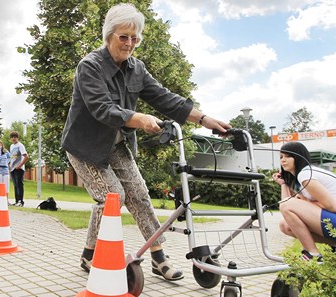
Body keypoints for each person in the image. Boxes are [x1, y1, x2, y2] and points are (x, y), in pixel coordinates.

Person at [61, 3, 231, 281]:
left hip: (116, 144)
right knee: (112, 197)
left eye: (134, 38)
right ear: (109, 35)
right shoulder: (89, 66)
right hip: (85, 147)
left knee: (139, 194)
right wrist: (139, 118)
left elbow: (165, 98)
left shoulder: (136, 69)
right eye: (123, 37)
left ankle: (157, 257)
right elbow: (102, 108)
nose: (129, 44)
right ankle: (95, 257)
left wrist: (204, 119)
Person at [272, 142, 336, 261]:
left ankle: (312, 254)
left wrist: (306, 202)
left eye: (287, 156)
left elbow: (333, 206)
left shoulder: (306, 175)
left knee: (287, 205)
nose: (283, 160)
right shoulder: (304, 175)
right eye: (281, 157)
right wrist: (284, 184)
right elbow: (287, 203)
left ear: (299, 157)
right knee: (285, 225)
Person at [9, 131, 29, 207]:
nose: (14, 138)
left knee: (19, 184)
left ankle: (21, 201)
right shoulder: (11, 146)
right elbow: (12, 157)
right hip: (13, 168)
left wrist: (20, 165)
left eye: (15, 137)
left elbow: (26, 156)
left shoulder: (20, 146)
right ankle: (16, 200)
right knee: (15, 185)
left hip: (19, 168)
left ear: (17, 138)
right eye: (12, 137)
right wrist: (10, 167)